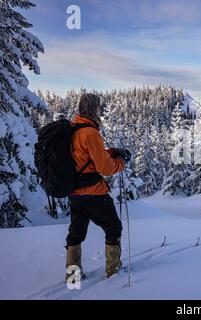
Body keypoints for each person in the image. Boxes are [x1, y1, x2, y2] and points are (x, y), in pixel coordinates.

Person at [65, 93, 131, 280]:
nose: (101, 110)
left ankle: (73, 275)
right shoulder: (91, 132)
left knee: (76, 231)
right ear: (94, 108)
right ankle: (113, 270)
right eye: (99, 107)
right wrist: (120, 162)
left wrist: (110, 151)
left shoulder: (74, 128)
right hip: (93, 192)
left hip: (75, 192)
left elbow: (83, 155)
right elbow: (104, 168)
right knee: (113, 227)